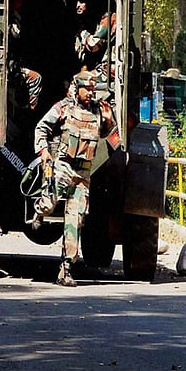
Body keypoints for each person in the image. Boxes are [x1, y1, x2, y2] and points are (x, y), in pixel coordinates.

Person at [32, 70, 121, 286]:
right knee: (48, 204)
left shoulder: (99, 111)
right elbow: (41, 128)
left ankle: (66, 269)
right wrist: (43, 151)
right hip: (63, 166)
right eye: (87, 89)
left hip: (83, 173)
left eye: (93, 89)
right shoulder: (63, 108)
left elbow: (108, 137)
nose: (91, 93)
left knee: (76, 220)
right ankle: (38, 212)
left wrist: (109, 122)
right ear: (77, 88)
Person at [74, 0, 116, 88]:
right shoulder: (91, 21)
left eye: (82, 2)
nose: (77, 6)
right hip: (97, 68)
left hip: (107, 72)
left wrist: (82, 33)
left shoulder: (108, 18)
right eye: (77, 2)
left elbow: (93, 45)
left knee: (76, 81)